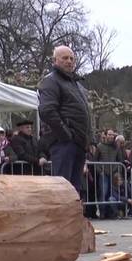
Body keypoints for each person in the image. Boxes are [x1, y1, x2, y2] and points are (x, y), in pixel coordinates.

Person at [38, 45, 91, 193]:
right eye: (65, 58)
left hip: (79, 143)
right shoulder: (51, 81)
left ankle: (72, 217)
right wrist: (65, 135)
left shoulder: (77, 85)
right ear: (55, 60)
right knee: (62, 188)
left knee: (75, 189)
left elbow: (86, 115)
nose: (69, 61)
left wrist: (88, 140)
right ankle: (59, 217)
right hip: (64, 143)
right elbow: (47, 111)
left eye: (72, 58)